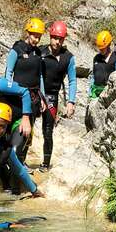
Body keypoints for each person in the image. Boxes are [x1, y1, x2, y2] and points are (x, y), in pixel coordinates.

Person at [5, 17, 47, 182]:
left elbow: (40, 77)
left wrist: (42, 98)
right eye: (34, 35)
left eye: (39, 36)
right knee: (17, 129)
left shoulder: (38, 53)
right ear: (27, 33)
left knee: (29, 132)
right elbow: (8, 72)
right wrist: (9, 91)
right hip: (18, 96)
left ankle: (21, 161)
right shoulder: (17, 49)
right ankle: (11, 160)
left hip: (34, 97)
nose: (36, 39)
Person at [39, 20, 77, 172]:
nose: (57, 42)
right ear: (50, 36)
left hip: (52, 97)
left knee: (47, 131)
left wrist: (71, 101)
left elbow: (72, 80)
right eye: (55, 38)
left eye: (60, 39)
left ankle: (46, 163)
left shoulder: (68, 58)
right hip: (36, 94)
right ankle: (21, 162)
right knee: (25, 128)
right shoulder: (40, 52)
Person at [87, 30, 116, 100]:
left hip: (107, 94)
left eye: (103, 48)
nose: (101, 50)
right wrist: (90, 92)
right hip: (95, 92)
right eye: (100, 48)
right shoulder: (96, 58)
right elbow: (93, 75)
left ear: (109, 45)